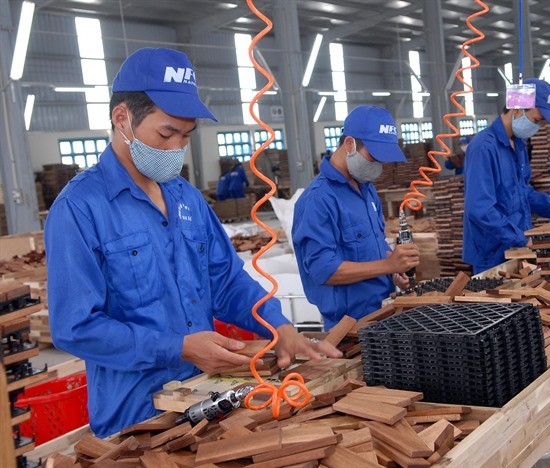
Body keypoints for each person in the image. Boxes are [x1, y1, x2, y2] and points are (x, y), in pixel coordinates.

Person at [44, 47, 340, 438]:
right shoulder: (80, 209)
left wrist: (278, 324)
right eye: (165, 133)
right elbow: (75, 327)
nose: (175, 149)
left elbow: (227, 281)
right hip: (135, 416)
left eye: (185, 136)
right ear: (122, 119)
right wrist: (178, 348)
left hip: (204, 399)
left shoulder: (186, 198)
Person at [292, 106, 420, 330]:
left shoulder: (366, 189)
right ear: (350, 144)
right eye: (374, 156)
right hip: (349, 326)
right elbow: (323, 269)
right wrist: (387, 264)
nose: (378, 166)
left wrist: (394, 267)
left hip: (382, 310)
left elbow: (375, 242)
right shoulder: (319, 199)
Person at [463, 79, 550, 274]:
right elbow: (479, 208)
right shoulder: (483, 148)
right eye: (536, 120)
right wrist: (521, 238)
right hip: (492, 254)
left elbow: (524, 194)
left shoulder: (518, 146)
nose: (537, 127)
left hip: (516, 248)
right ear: (517, 109)